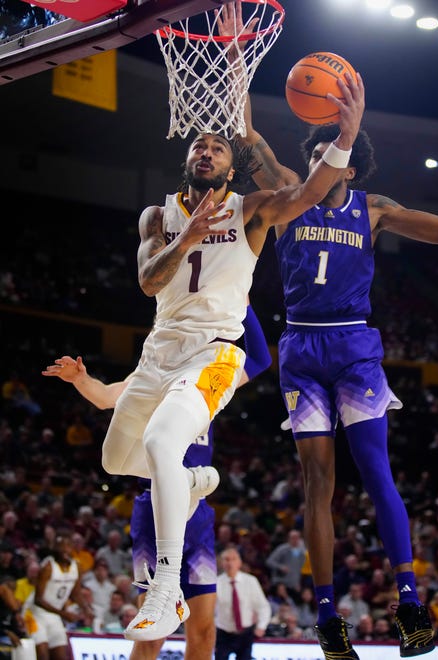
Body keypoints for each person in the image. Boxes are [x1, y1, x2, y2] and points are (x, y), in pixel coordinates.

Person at [94, 58, 364, 644]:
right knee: (117, 461)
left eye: (218, 146)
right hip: (156, 353)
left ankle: (166, 591)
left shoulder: (253, 209)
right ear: (188, 160)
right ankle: (191, 483)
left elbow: (314, 190)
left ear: (231, 165)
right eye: (200, 144)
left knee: (166, 443)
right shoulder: (156, 217)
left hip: (216, 353)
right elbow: (147, 283)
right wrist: (187, 237)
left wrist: (345, 135)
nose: (208, 149)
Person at [237, 51, 438, 660]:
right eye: (311, 153)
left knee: (375, 472)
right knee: (317, 483)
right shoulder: (289, 198)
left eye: (327, 154)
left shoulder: (375, 210)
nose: (316, 160)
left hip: (355, 345)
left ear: (349, 168)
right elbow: (246, 137)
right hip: (301, 348)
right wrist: (235, 62)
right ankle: (328, 617)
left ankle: (410, 602)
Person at [42, 302, 273, 660]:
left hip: (197, 515)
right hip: (154, 510)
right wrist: (81, 380)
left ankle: (190, 482)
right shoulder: (147, 377)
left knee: (205, 631)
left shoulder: (212, 373)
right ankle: (186, 482)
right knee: (150, 638)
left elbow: (259, 359)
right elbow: (105, 397)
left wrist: (237, 294)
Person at [27, 532, 92, 660]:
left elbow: (76, 593)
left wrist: (86, 609)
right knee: (42, 655)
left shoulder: (77, 567)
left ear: (72, 547)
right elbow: (38, 600)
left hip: (54, 615)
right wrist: (64, 614)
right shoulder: (47, 567)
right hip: (34, 614)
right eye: (60, 546)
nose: (64, 549)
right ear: (55, 549)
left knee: (61, 656)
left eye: (67, 545)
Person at [215, 546, 271, 660]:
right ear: (222, 563)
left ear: (239, 562)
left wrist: (261, 626)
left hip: (245, 633)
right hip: (223, 633)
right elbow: (210, 611)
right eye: (226, 559)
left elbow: (262, 606)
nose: (230, 563)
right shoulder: (216, 583)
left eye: (233, 559)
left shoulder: (250, 581)